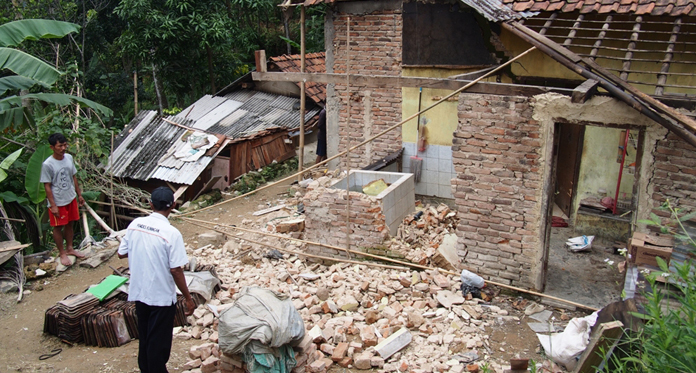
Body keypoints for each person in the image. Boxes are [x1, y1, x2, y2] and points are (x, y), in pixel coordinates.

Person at [117, 186, 195, 373]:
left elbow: (121, 253)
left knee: (145, 336)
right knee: (158, 343)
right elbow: (176, 269)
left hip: (140, 292)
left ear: (150, 204)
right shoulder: (171, 233)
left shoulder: (135, 224)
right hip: (161, 297)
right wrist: (188, 297)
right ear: (173, 205)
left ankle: (146, 369)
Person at [40, 133, 86, 266]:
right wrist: (53, 205)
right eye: (60, 146)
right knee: (57, 227)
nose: (64, 148)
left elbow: (74, 177)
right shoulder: (47, 164)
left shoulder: (69, 158)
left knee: (70, 223)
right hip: (58, 200)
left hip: (70, 197)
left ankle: (70, 248)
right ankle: (62, 253)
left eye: (65, 145)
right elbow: (47, 186)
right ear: (52, 147)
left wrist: (79, 194)